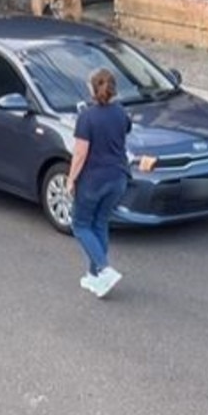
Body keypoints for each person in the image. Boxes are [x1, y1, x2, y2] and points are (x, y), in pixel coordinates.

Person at [67, 68, 132, 298]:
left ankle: (104, 269)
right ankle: (95, 277)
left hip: (94, 180)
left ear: (93, 89)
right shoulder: (121, 114)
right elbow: (123, 134)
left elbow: (80, 153)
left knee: (80, 224)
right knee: (100, 222)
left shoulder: (86, 117)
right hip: (118, 178)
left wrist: (71, 179)